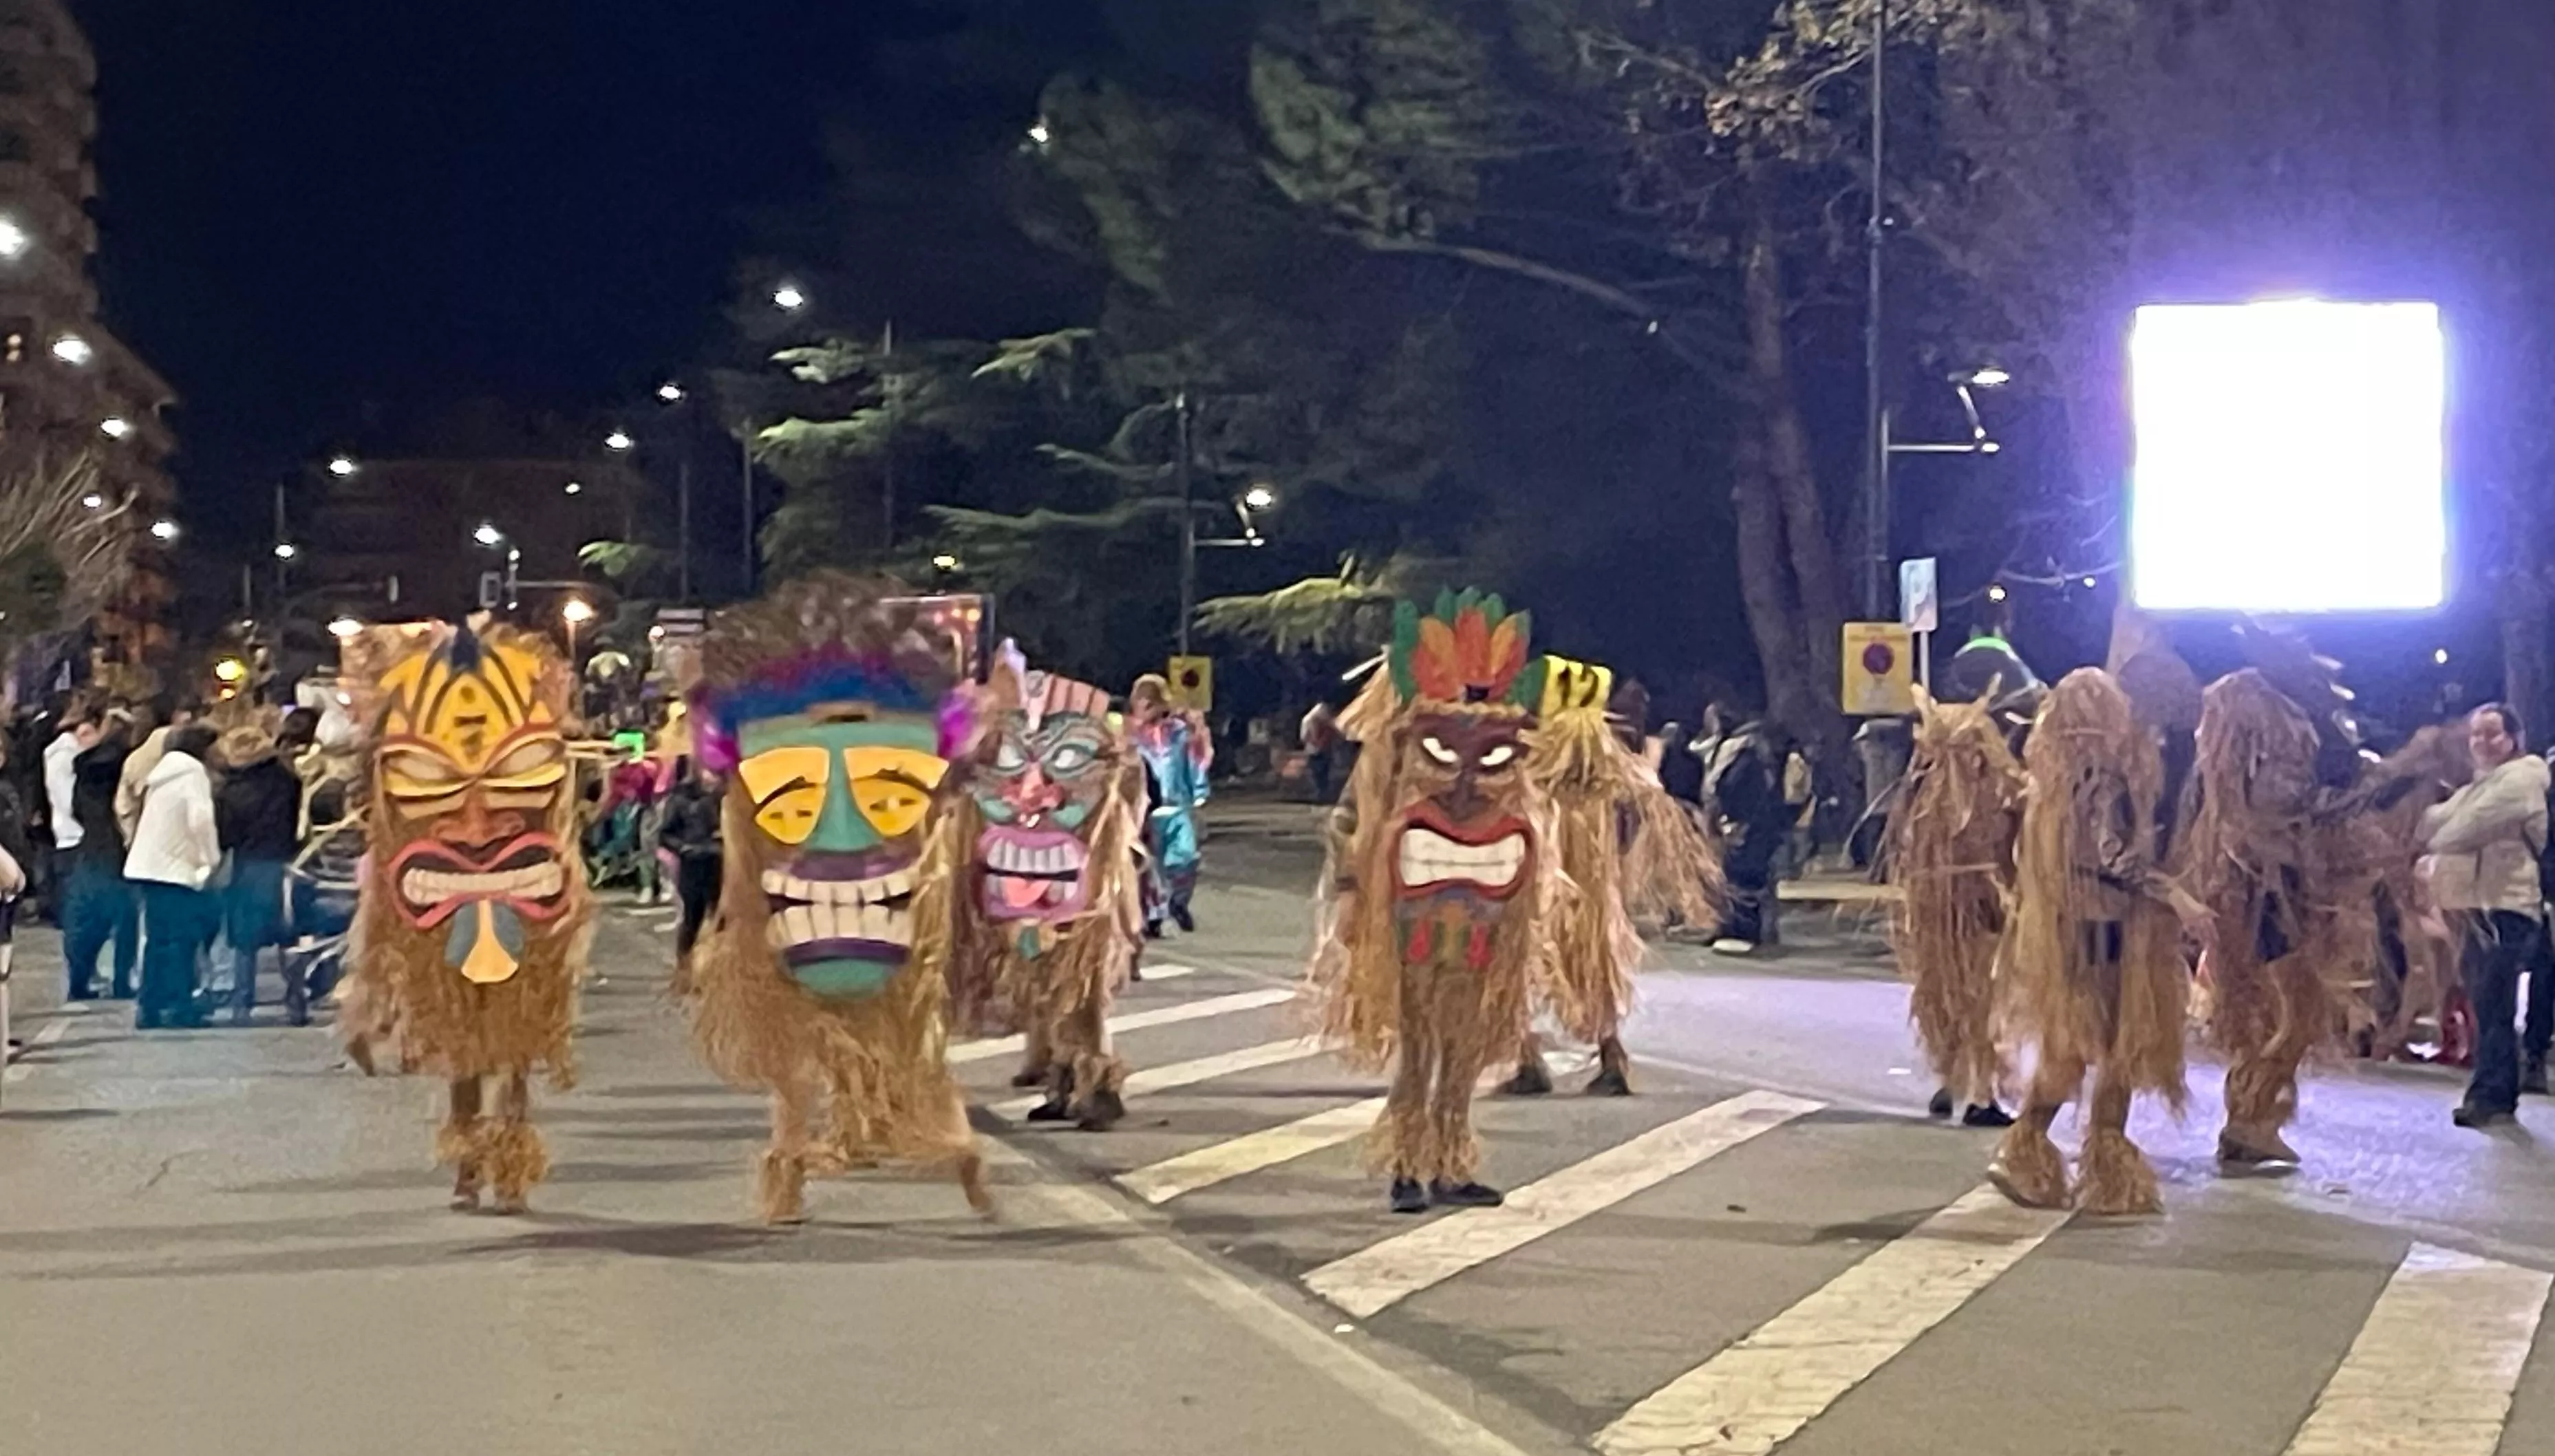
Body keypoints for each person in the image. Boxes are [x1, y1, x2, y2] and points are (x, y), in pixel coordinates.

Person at [2421, 702, 2549, 1129]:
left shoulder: (2522, 779)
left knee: (2494, 1003)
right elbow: (2429, 822)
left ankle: (2490, 1095)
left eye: (2492, 733)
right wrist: (2442, 827)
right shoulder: (2481, 785)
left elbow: (2459, 829)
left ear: (2513, 738)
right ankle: (2496, 1092)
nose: (2481, 742)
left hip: (2506, 906)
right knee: (2486, 1003)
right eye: (2476, 734)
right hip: (2477, 906)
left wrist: (2442, 830)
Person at [125, 722, 221, 1031]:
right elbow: (200, 819)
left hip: (147, 865)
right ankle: (180, 1007)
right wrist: (210, 859)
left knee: (157, 941)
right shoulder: (193, 774)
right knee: (182, 941)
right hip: (175, 869)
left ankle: (149, 1007)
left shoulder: (163, 775)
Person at [215, 724, 304, 1026]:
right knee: (289, 936)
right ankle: (296, 1002)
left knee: (245, 941)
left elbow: (225, 836)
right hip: (285, 864)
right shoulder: (289, 781)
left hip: (247, 868)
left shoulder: (231, 791)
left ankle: (243, 1004)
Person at [63, 709, 138, 1000]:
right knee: (125, 920)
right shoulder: (125, 764)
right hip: (118, 849)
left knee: (88, 920)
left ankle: (79, 981)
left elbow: (76, 809)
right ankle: (122, 981)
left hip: (91, 848)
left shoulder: (84, 767)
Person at [1131, 674, 1211, 936]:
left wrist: (1199, 790)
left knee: (1185, 859)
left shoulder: (1179, 733)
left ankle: (1178, 903)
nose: (1144, 707)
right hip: (1145, 811)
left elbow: (1196, 759)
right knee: (1148, 866)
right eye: (1140, 701)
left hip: (1178, 806)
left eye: (1149, 701)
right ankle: (1152, 915)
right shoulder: (1130, 737)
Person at [656, 755, 723, 991]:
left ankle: (717, 975)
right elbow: (665, 834)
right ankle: (684, 972)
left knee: (721, 919)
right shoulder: (682, 797)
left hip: (721, 862)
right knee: (693, 918)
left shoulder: (727, 796)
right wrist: (683, 847)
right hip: (693, 863)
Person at [1300, 699, 1342, 806]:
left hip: (1317, 751)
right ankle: (1321, 795)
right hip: (1318, 751)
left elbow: (1304, 737)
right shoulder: (1313, 720)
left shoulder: (1309, 720)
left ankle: (1322, 795)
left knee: (1320, 775)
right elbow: (1305, 737)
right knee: (1320, 775)